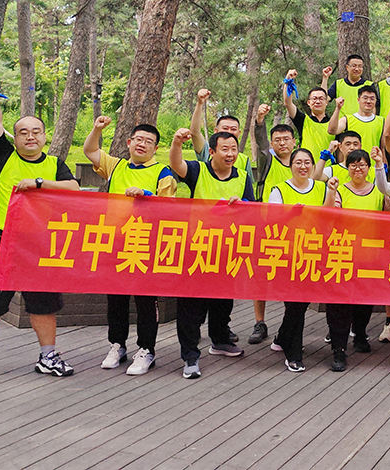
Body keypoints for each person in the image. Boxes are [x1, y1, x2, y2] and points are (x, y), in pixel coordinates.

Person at [0, 70, 79, 387]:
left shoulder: (54, 164)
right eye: (23, 132)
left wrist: (39, 183)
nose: (30, 137)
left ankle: (48, 357)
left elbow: (74, 188)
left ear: (45, 136)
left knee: (44, 306)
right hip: (3, 243)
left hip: (40, 246)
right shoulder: (2, 155)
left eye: (36, 132)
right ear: (16, 137)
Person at [84, 116, 176, 375]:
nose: (142, 144)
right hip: (116, 242)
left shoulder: (163, 172)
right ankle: (117, 345)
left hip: (146, 244)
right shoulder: (116, 166)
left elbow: (171, 208)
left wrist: (147, 196)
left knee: (146, 300)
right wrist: (97, 129)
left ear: (155, 148)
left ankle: (147, 349)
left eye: (149, 142)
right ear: (129, 142)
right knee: (116, 298)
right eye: (138, 139)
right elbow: (90, 151)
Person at [169, 129, 253, 379]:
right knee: (191, 305)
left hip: (227, 251)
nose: (230, 154)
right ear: (212, 152)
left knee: (223, 301)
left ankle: (220, 340)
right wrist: (176, 143)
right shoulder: (199, 170)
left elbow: (252, 208)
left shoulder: (242, 176)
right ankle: (190, 356)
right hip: (197, 249)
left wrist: (243, 205)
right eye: (224, 149)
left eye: (234, 149)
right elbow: (176, 165)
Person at [266, 148, 339, 372]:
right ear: (291, 166)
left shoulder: (321, 187)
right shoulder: (279, 190)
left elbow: (328, 215)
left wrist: (331, 192)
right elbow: (271, 222)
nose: (303, 166)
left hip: (314, 254)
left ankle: (282, 338)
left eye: (307, 162)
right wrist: (291, 214)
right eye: (298, 162)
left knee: (301, 303)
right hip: (288, 256)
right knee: (296, 303)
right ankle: (294, 353)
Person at [328, 147, 390, 371]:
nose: (358, 169)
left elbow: (388, 219)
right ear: (347, 168)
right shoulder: (339, 190)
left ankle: (360, 334)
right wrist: (330, 192)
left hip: (370, 256)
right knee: (340, 303)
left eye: (362, 165)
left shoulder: (378, 190)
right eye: (353, 165)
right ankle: (338, 349)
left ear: (368, 167)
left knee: (365, 300)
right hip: (344, 254)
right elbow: (330, 217)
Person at [248, 111, 295, 344]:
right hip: (267, 228)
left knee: (289, 277)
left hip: (294, 230)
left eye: (286, 139)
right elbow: (261, 142)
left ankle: (288, 324)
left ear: (294, 142)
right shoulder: (267, 160)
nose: (282, 143)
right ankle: (260, 322)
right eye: (277, 140)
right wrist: (260, 122)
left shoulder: (300, 163)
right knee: (261, 275)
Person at [190, 88, 254, 185]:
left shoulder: (244, 160)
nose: (229, 132)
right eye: (225, 128)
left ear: (239, 133)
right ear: (216, 131)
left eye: (233, 129)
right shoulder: (208, 151)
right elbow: (194, 133)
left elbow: (248, 188)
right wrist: (199, 103)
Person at [284, 72, 334, 158]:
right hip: (306, 164)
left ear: (326, 102)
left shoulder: (334, 124)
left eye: (321, 99)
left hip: (329, 166)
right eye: (314, 98)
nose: (317, 101)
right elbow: (288, 103)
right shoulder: (303, 120)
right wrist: (288, 81)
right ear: (308, 102)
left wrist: (325, 78)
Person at [328, 85, 384, 151]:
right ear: (358, 100)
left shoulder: (381, 121)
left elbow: (383, 147)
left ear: (375, 101)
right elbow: (332, 131)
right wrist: (338, 108)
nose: (368, 101)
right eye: (365, 98)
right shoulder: (347, 119)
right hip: (352, 157)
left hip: (373, 157)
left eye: (372, 98)